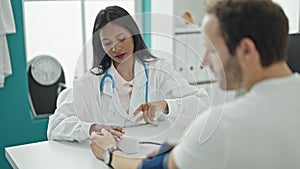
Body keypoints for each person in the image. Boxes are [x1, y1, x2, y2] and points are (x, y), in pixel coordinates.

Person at [89, 1, 300, 169]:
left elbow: (151, 168)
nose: (204, 61)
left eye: (211, 49)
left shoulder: (223, 125)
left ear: (246, 50)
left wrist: (109, 152)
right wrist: (191, 152)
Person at [47, 6, 209, 142]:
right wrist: (93, 128)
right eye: (107, 43)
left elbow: (203, 103)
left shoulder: (159, 70)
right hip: (107, 157)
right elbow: (55, 126)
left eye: (121, 38)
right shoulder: (89, 82)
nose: (116, 48)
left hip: (152, 152)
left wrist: (165, 105)